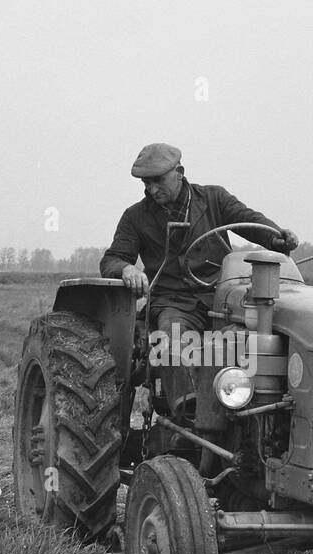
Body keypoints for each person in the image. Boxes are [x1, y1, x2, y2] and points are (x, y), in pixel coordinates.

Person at [99, 142, 298, 417]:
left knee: (262, 336)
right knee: (169, 338)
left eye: (158, 181)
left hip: (221, 299)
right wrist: (126, 269)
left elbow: (247, 220)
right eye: (146, 183)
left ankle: (265, 408)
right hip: (173, 302)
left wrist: (275, 236)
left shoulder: (214, 199)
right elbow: (112, 259)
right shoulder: (135, 218)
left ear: (179, 172)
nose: (152, 190)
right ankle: (189, 413)